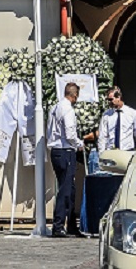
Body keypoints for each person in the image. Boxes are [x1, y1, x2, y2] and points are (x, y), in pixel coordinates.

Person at [47, 82, 84, 238]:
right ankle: (58, 225)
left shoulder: (54, 107)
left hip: (56, 150)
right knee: (65, 190)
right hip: (65, 150)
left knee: (70, 188)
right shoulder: (68, 109)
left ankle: (71, 225)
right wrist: (79, 144)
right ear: (74, 95)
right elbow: (69, 134)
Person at [98, 87, 136, 152]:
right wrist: (101, 153)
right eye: (108, 100)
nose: (109, 102)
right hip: (111, 152)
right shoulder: (106, 115)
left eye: (111, 99)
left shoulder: (132, 113)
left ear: (118, 97)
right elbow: (102, 136)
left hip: (127, 151)